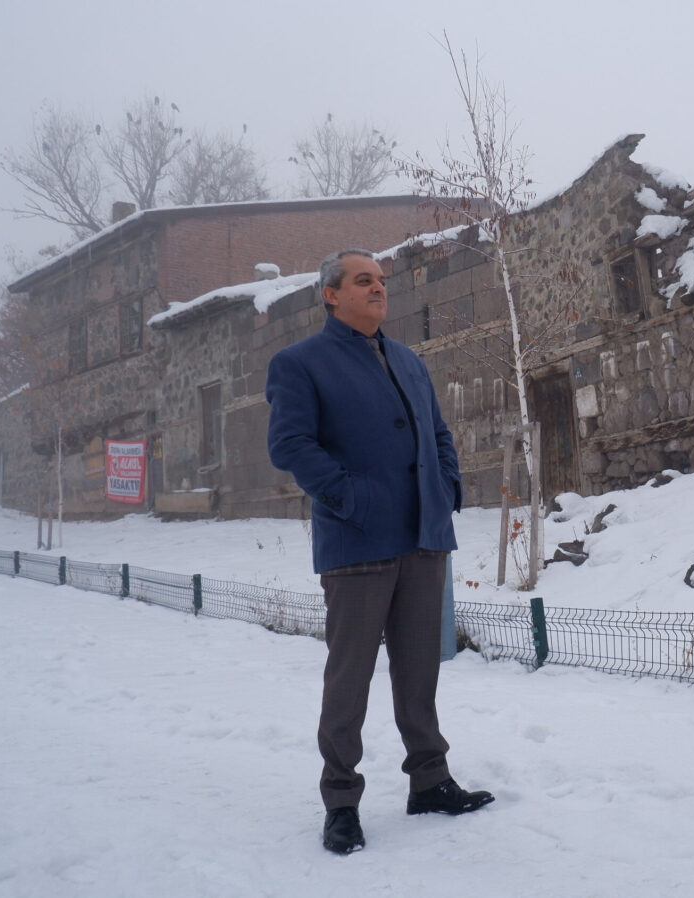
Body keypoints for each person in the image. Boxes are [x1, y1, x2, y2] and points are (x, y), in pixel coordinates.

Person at [266, 249, 493, 856]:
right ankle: (341, 801)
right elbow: (290, 445)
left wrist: (446, 490)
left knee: (419, 672)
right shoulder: (299, 363)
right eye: (363, 280)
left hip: (422, 538)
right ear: (330, 294)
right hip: (357, 541)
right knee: (350, 682)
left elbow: (439, 433)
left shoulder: (409, 361)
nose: (378, 288)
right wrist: (351, 498)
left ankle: (431, 782)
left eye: (382, 281)